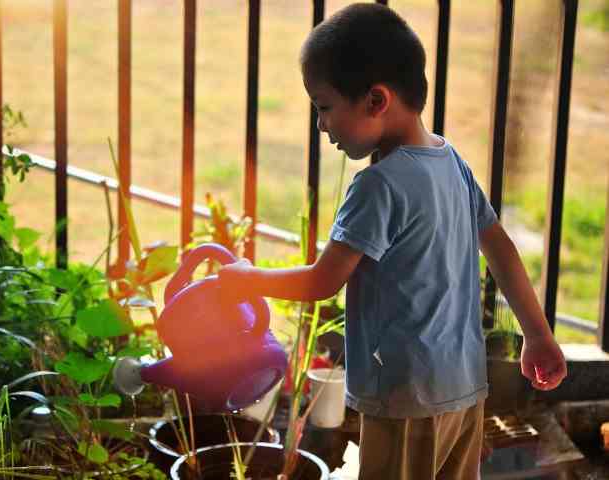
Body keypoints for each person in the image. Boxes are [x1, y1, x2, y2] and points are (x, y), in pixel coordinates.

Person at [217, 3, 567, 479]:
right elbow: (500, 247)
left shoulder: (378, 185)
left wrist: (247, 280)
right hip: (464, 389)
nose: (321, 124)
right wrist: (538, 335)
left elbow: (323, 281)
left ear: (376, 101)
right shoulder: (450, 160)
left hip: (406, 400)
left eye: (324, 106)